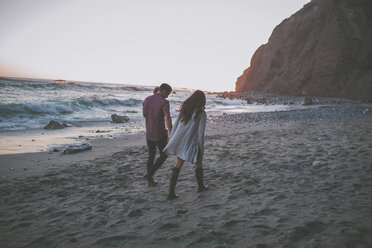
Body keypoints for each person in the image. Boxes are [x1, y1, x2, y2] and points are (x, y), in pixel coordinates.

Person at [163, 90, 208, 200]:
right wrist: (201, 147)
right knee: (198, 163)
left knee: (178, 165)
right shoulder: (201, 114)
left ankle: (171, 192)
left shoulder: (184, 110)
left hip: (180, 140)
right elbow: (200, 132)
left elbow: (176, 125)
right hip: (192, 141)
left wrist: (172, 138)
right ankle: (200, 186)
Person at [143, 83, 173, 186]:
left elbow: (144, 114)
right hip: (160, 133)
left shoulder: (147, 99)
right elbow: (167, 118)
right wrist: (171, 132)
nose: (168, 96)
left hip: (149, 132)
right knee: (164, 155)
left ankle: (150, 181)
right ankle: (149, 174)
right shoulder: (164, 102)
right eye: (168, 93)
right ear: (164, 90)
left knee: (151, 155)